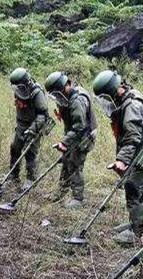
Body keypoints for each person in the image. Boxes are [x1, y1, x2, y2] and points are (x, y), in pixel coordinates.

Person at [92, 70, 143, 245]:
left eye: (108, 97)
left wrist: (122, 159)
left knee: (133, 187)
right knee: (131, 185)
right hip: (139, 148)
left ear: (116, 91)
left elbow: (132, 137)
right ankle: (133, 223)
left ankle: (136, 234)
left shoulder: (133, 105)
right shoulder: (124, 100)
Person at [44, 71, 97, 209]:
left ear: (67, 85)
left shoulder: (77, 100)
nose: (57, 96)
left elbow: (80, 127)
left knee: (75, 164)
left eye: (58, 92)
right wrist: (66, 141)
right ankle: (60, 193)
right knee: (66, 162)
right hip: (74, 133)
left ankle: (78, 198)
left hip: (85, 136)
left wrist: (64, 142)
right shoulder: (65, 97)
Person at [8, 67, 49, 190]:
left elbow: (42, 114)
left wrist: (33, 129)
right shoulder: (18, 90)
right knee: (15, 149)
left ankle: (31, 179)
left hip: (34, 126)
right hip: (21, 125)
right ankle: (13, 176)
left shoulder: (36, 92)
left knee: (30, 152)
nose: (17, 88)